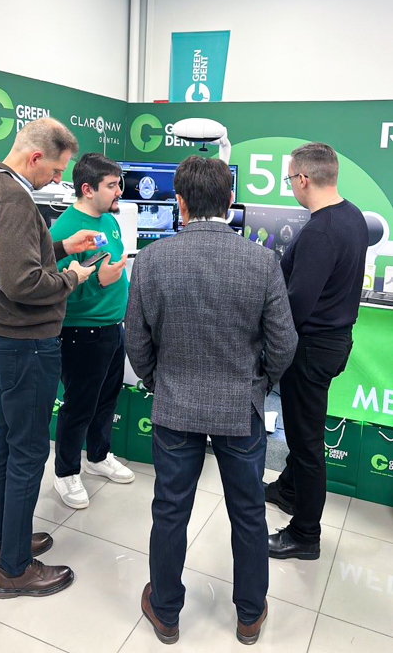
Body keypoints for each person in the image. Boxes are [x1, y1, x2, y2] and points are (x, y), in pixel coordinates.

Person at [125, 155, 298, 646]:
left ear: (179, 203)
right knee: (248, 512)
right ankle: (249, 615)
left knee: (170, 510)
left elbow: (135, 339)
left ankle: (165, 612)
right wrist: (259, 383)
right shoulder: (261, 261)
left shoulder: (152, 260)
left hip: (174, 404)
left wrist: (157, 380)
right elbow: (284, 343)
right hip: (240, 407)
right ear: (230, 200)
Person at [0, 118, 97, 599]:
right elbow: (23, 282)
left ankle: (0, 542)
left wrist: (59, 247)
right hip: (27, 345)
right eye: (56, 171)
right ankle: (15, 571)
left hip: (2, 340)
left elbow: (10, 256)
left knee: (5, 441)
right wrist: (72, 276)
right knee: (28, 453)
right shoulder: (16, 199)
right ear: (35, 156)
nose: (57, 180)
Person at [266, 143, 369, 561]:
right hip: (334, 341)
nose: (291, 185)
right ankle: (289, 490)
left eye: (290, 178)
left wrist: (266, 345)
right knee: (302, 428)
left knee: (307, 443)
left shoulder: (320, 232)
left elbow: (296, 306)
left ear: (304, 179)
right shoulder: (352, 216)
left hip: (311, 349)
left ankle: (305, 534)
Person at [50, 153, 134, 511]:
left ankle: (98, 456)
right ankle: (66, 472)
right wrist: (99, 281)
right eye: (112, 185)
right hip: (81, 332)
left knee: (106, 400)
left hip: (113, 328)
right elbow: (55, 289)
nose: (119, 191)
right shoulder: (64, 231)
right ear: (87, 189)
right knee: (79, 406)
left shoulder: (109, 221)